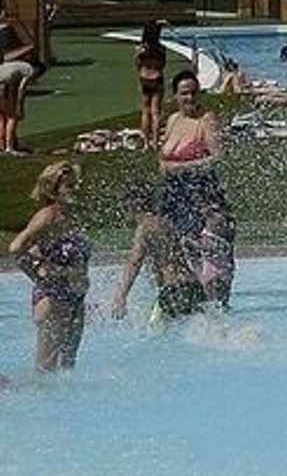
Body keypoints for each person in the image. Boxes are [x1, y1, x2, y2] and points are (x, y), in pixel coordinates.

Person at [158, 71, 235, 306]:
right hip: (176, 197)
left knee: (212, 254)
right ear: (175, 96)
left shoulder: (206, 120)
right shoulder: (173, 120)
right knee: (184, 254)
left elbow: (219, 157)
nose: (189, 98)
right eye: (184, 93)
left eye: (193, 92)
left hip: (202, 197)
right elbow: (162, 159)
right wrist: (167, 167)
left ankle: (218, 306)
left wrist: (182, 167)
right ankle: (190, 303)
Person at [9, 159, 92, 370]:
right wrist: (40, 274)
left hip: (76, 298)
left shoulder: (73, 216)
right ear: (54, 191)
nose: (77, 189)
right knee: (46, 373)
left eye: (77, 184)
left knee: (68, 369)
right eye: (70, 186)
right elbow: (16, 248)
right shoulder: (47, 217)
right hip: (52, 298)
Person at [109, 181, 206, 322]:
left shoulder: (144, 228)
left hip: (174, 290)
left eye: (123, 205)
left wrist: (121, 296)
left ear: (132, 204)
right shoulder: (165, 222)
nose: (122, 210)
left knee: (153, 333)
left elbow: (135, 261)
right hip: (194, 287)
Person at [0, 36, 41, 155]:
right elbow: (21, 89)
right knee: (13, 117)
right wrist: (19, 106)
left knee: (2, 116)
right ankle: (10, 148)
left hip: (3, 84)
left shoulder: (15, 65)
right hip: (1, 87)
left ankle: (2, 146)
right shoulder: (30, 70)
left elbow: (11, 83)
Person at [134, 21, 168, 144]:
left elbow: (137, 64)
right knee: (156, 112)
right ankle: (155, 140)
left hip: (144, 78)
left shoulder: (140, 49)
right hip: (157, 78)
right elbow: (163, 65)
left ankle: (145, 141)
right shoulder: (161, 48)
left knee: (145, 110)